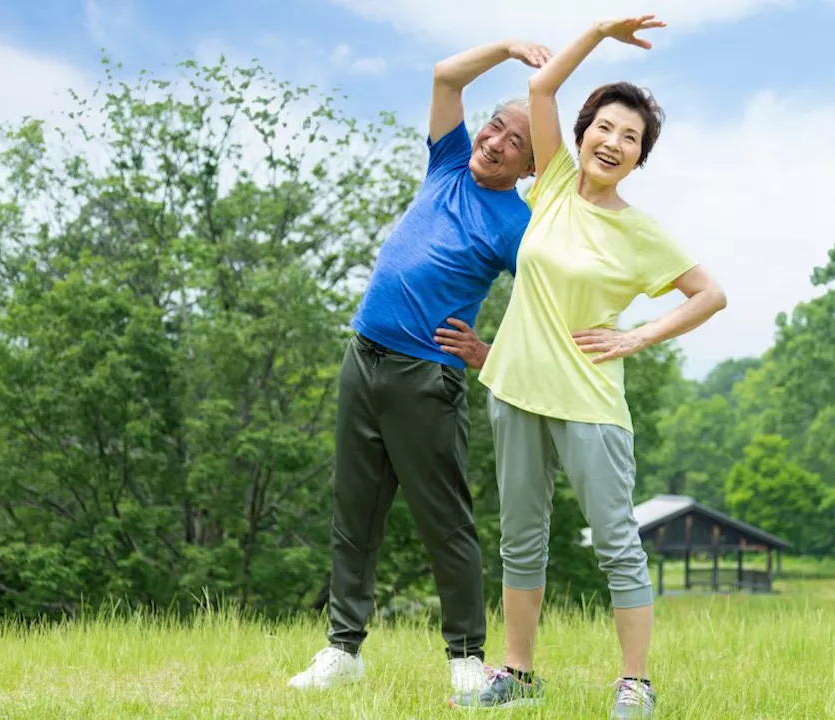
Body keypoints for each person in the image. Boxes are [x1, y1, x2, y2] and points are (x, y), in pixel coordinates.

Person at [438, 14, 727, 718]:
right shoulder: (555, 183)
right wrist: (598, 31)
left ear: (638, 159)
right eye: (605, 126)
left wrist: (637, 339)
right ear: (583, 132)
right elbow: (540, 87)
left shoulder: (640, 232)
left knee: (617, 545)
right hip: (514, 394)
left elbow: (710, 295)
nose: (614, 142)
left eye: (631, 138)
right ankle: (518, 673)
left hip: (591, 407)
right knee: (522, 540)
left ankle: (635, 682)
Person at [286, 37, 552, 701]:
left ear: (529, 165)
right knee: (354, 514)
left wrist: (493, 354)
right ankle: (342, 649)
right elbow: (444, 76)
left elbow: (550, 311)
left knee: (445, 524)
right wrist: (509, 47)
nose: (494, 141)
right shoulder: (448, 163)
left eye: (514, 140)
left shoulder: (517, 226)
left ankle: (466, 656)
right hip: (362, 358)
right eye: (495, 125)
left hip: (425, 379)